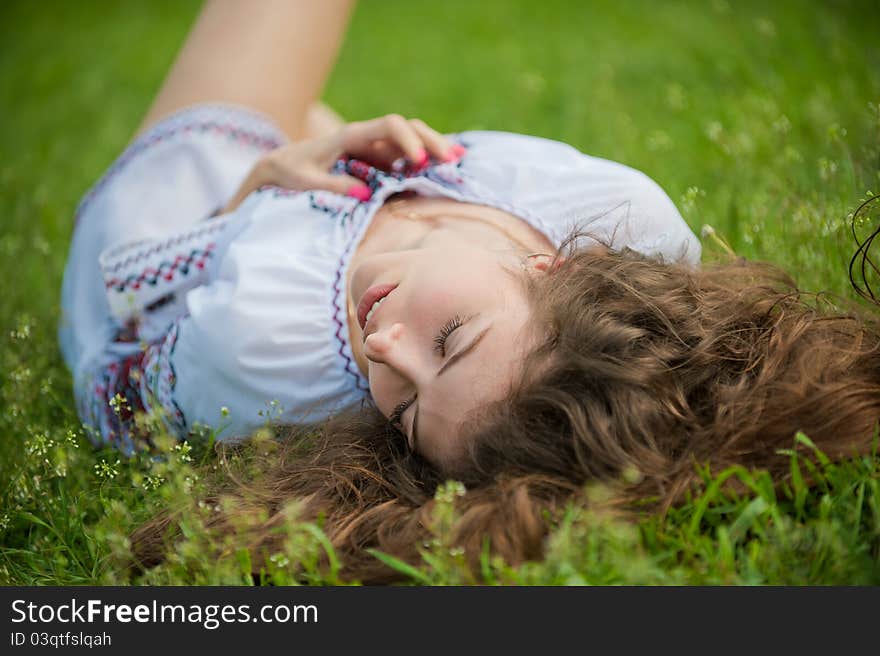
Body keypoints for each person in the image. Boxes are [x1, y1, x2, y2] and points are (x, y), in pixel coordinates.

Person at [59, 1, 880, 582]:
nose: (385, 351)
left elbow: (145, 279)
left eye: (404, 410)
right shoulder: (628, 219)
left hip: (172, 232)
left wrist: (266, 179)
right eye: (449, 338)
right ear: (555, 266)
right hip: (320, 216)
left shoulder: (265, 344)